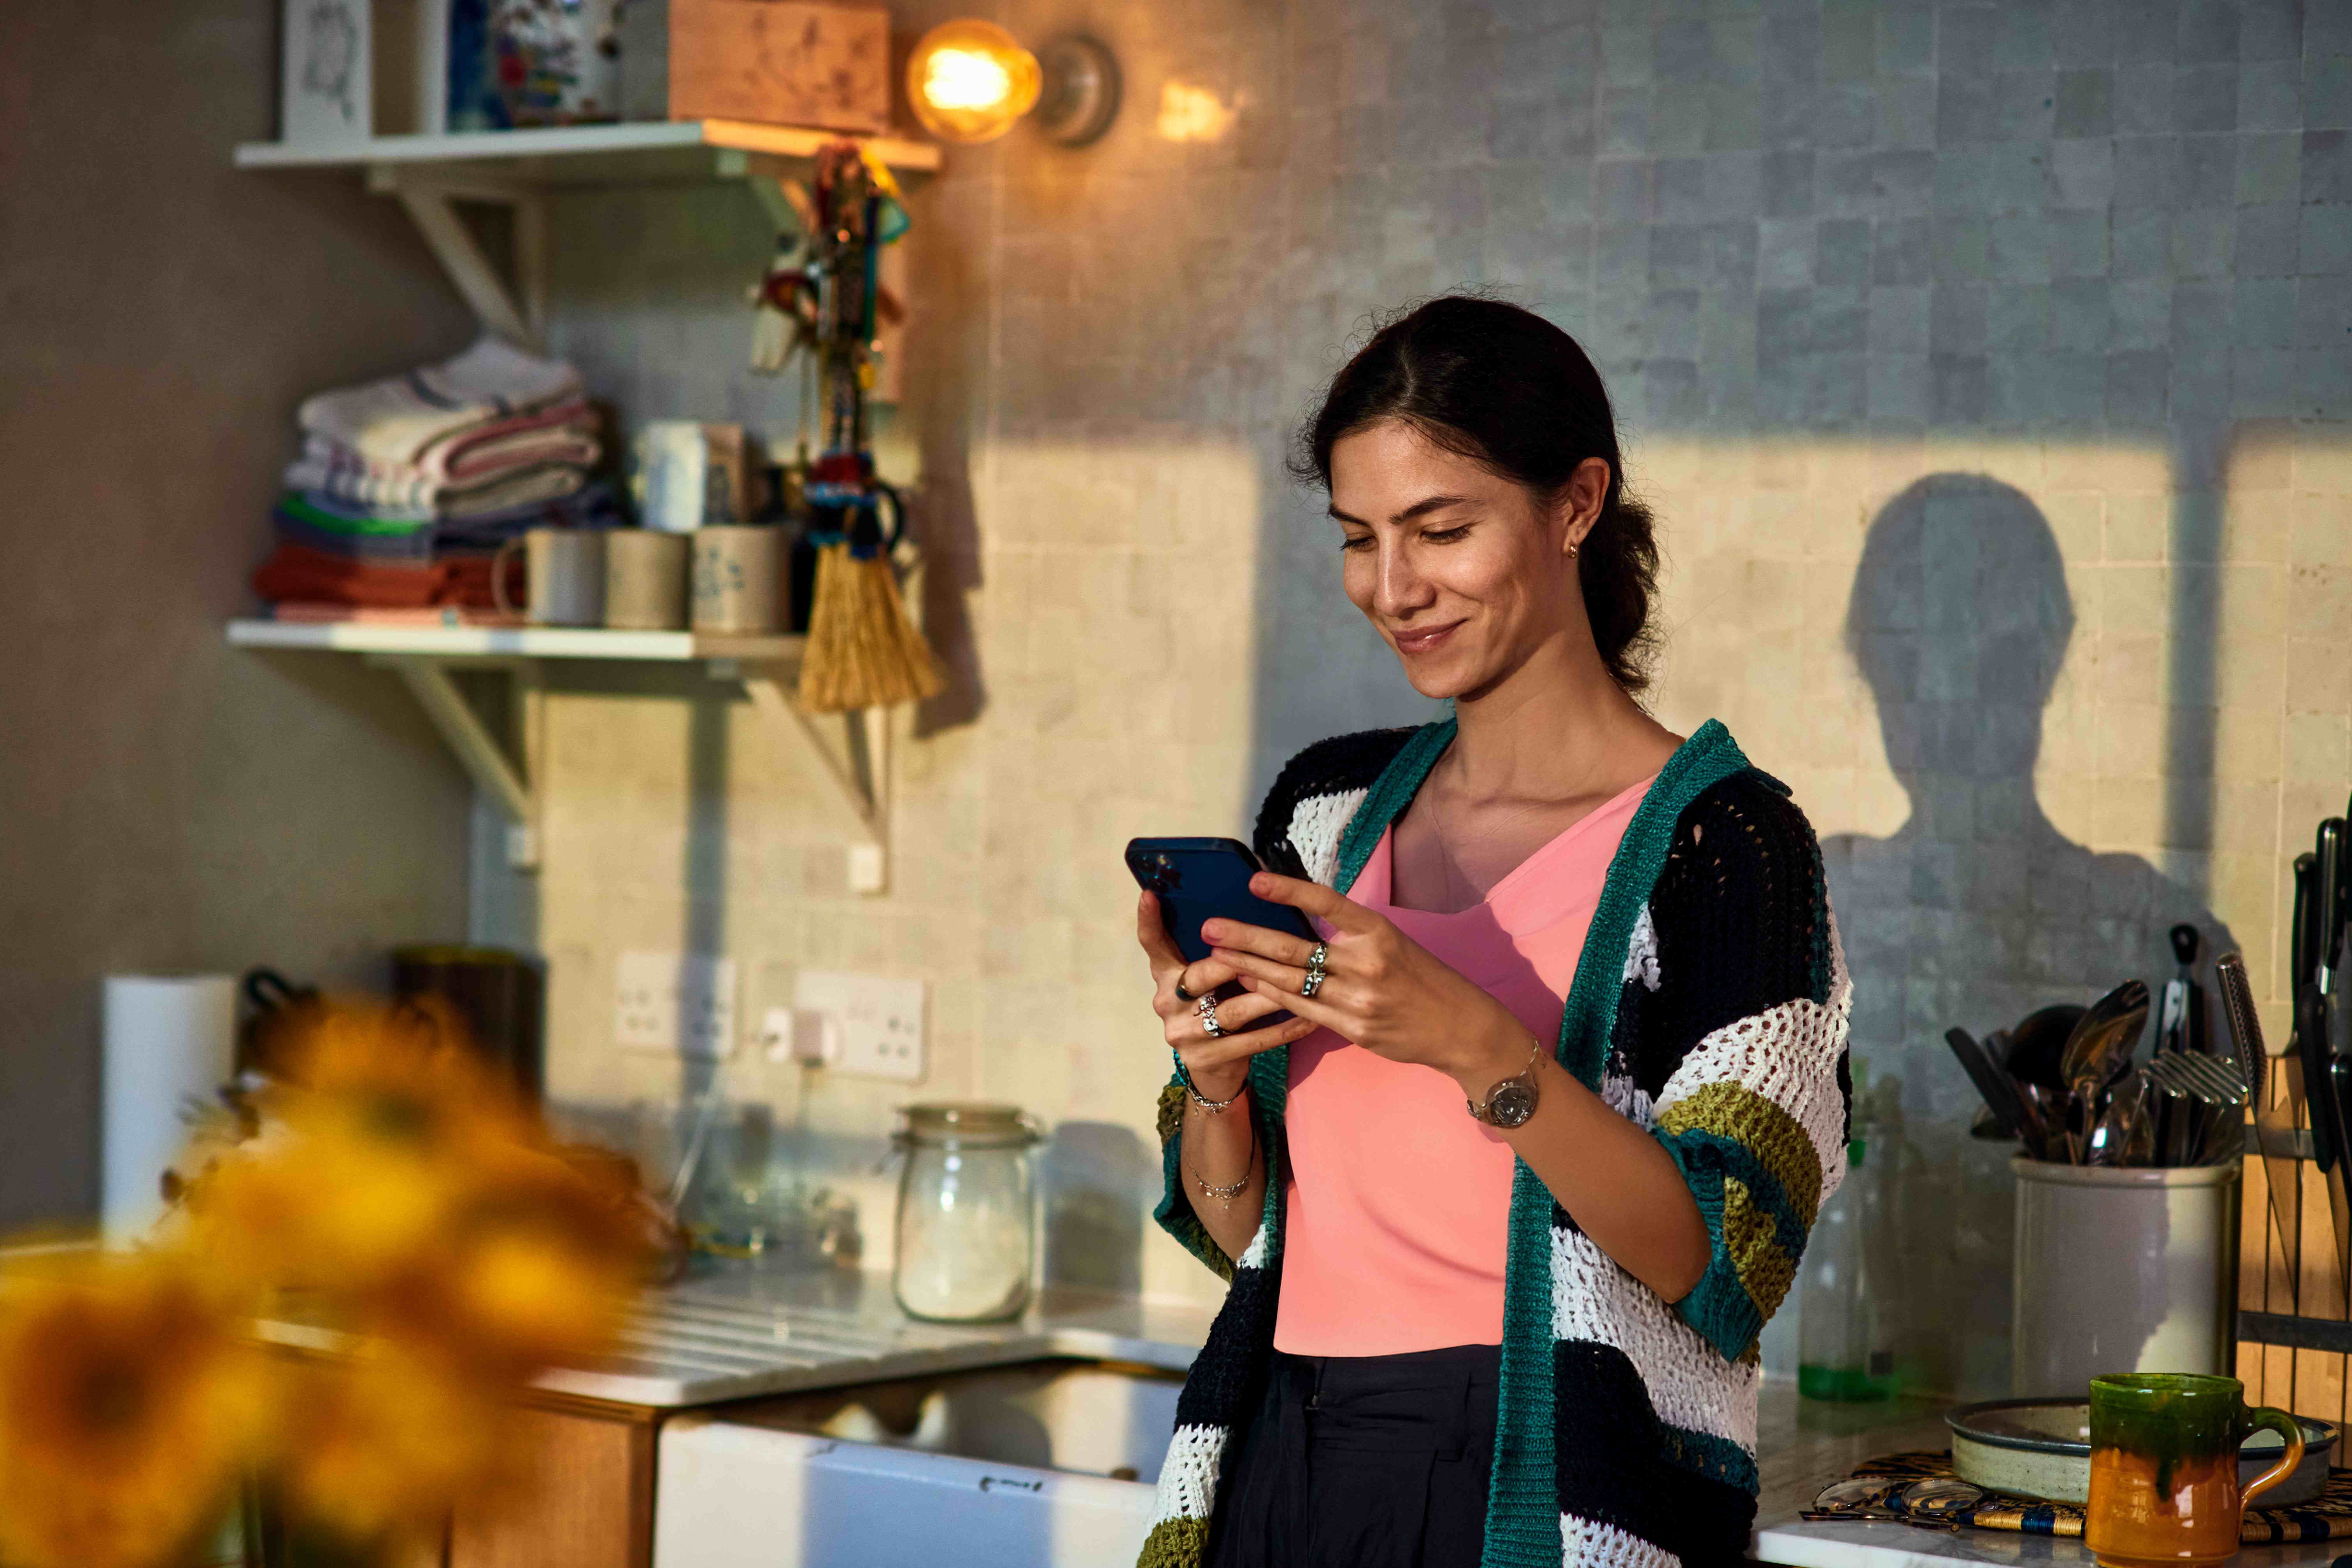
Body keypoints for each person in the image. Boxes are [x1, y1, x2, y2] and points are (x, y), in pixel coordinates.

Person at [1129, 297, 1853, 1568]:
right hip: (1279, 1461)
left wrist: (1476, 1045)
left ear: (1576, 504)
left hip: (1541, 1473)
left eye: (1440, 529)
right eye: (1359, 539)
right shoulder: (1326, 810)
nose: (1393, 588)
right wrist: (1213, 1076)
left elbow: (1722, 1263)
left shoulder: (1725, 850)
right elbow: (1241, 1234)